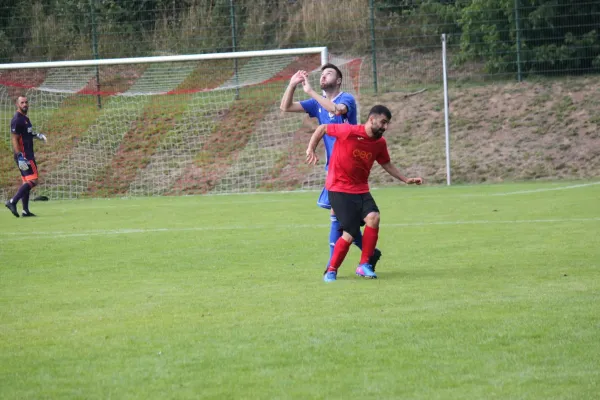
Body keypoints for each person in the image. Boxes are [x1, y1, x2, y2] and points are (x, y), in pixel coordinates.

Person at [280, 63, 382, 270]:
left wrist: (310, 91)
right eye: (322, 74)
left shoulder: (347, 99)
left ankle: (333, 266)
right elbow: (286, 107)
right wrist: (291, 85)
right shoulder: (316, 103)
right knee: (338, 218)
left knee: (340, 219)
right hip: (334, 168)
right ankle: (366, 254)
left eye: (329, 73)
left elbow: (335, 110)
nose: (323, 76)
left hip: (350, 167)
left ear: (338, 80)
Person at [305, 105, 423, 282]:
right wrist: (311, 149)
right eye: (383, 122)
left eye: (388, 124)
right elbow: (322, 128)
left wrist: (405, 179)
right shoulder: (349, 131)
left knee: (374, 217)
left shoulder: (379, 143)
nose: (385, 127)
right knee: (350, 233)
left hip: (361, 189)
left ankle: (364, 265)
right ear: (371, 119)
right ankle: (331, 270)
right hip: (338, 189)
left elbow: (387, 163)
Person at [4, 95, 47, 218]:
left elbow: (26, 134)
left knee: (26, 182)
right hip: (25, 156)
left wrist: (37, 135)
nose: (25, 104)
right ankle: (12, 201)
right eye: (22, 102)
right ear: (17, 104)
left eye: (26, 102)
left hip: (27, 154)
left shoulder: (25, 118)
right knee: (34, 181)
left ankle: (25, 211)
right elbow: (14, 139)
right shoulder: (17, 119)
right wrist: (20, 156)